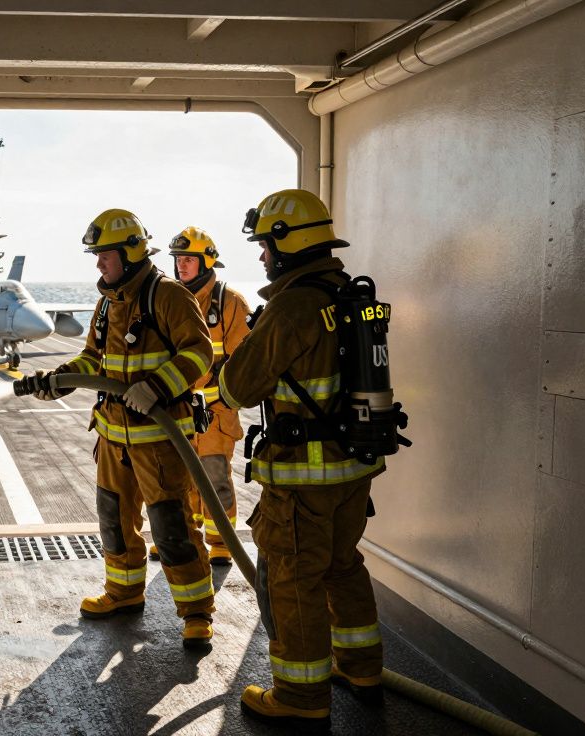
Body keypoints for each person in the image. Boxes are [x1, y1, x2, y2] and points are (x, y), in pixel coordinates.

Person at [219, 189, 385, 731]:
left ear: (286, 244)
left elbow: (239, 387)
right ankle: (362, 668)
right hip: (354, 466)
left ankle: (299, 696)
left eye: (265, 246)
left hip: (304, 476)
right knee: (342, 566)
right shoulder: (345, 293)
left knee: (294, 579)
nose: (262, 256)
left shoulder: (294, 305)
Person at [29, 208, 217, 650]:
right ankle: (124, 591)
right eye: (96, 255)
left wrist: (156, 386)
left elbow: (199, 352)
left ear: (131, 253)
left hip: (161, 443)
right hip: (113, 439)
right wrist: (58, 380)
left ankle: (196, 612)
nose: (98, 264)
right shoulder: (107, 304)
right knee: (114, 521)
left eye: (105, 255)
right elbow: (93, 360)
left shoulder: (168, 296)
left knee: (173, 529)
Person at [147, 227, 252, 568]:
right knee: (177, 479)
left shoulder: (231, 303)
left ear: (207, 262)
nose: (181, 266)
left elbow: (244, 362)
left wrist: (226, 400)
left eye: (189, 259)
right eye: (178, 259)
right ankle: (182, 538)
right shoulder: (168, 300)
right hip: (178, 410)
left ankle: (221, 542)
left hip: (216, 413)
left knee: (214, 477)